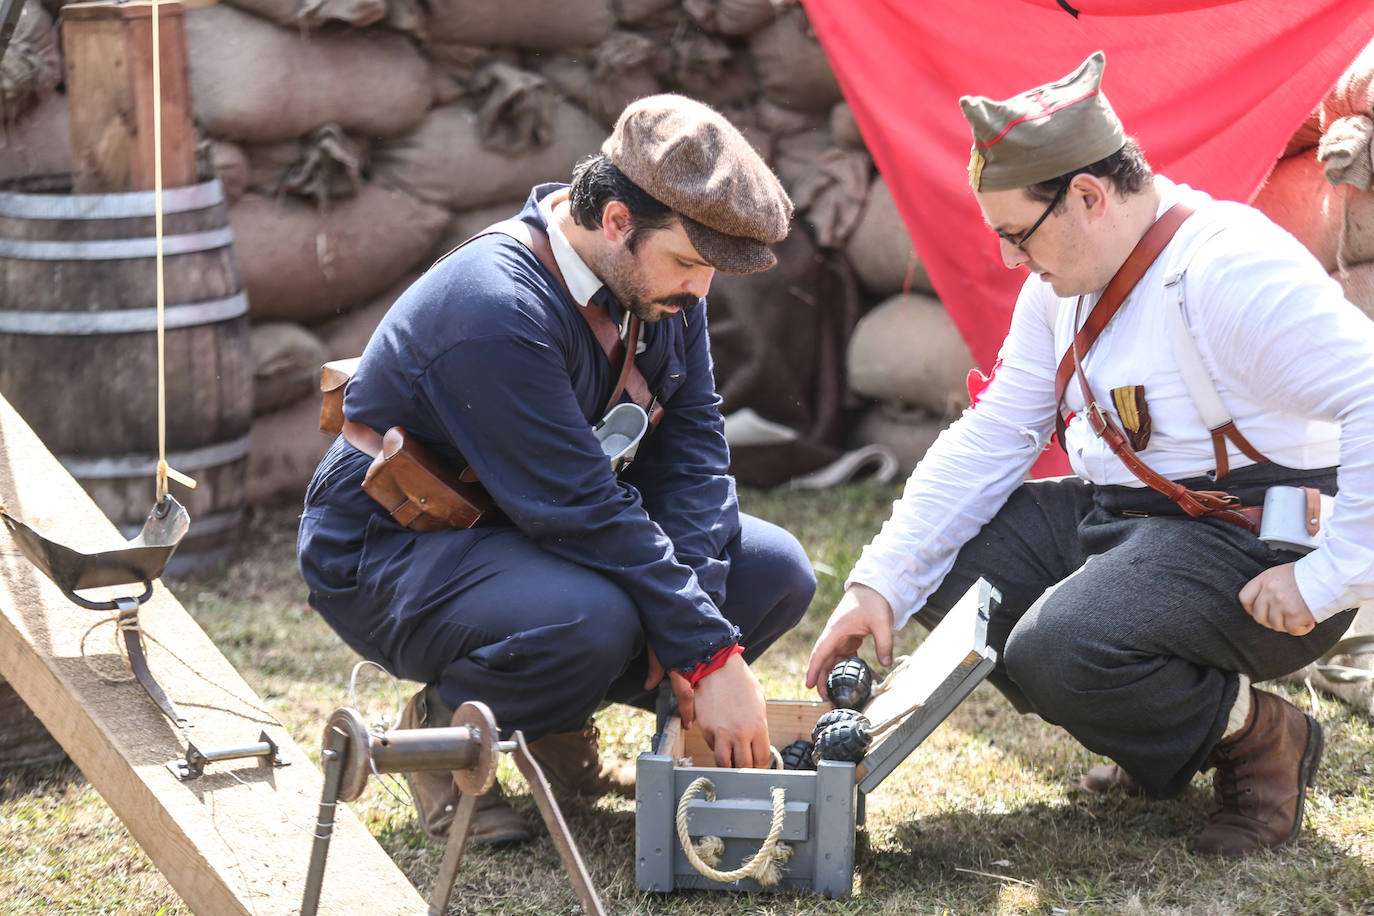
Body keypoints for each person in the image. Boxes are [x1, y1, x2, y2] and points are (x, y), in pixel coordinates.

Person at [806, 52, 1372, 857]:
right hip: (1131, 524)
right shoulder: (1058, 289)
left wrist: (1327, 577)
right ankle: (1162, 728)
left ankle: (1260, 737)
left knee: (1058, 647)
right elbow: (996, 433)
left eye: (1017, 235)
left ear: (1087, 196)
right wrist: (880, 583)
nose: (1009, 260)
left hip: (1253, 542)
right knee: (948, 571)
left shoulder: (1228, 270)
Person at [299, 94, 815, 846]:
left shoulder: (660, 286)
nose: (702, 290)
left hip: (532, 532)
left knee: (772, 573)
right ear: (616, 223)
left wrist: (704, 625)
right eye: (690, 263)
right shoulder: (495, 304)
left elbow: (697, 449)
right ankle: (438, 734)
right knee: (590, 620)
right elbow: (580, 508)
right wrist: (707, 651)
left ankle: (550, 720)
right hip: (390, 545)